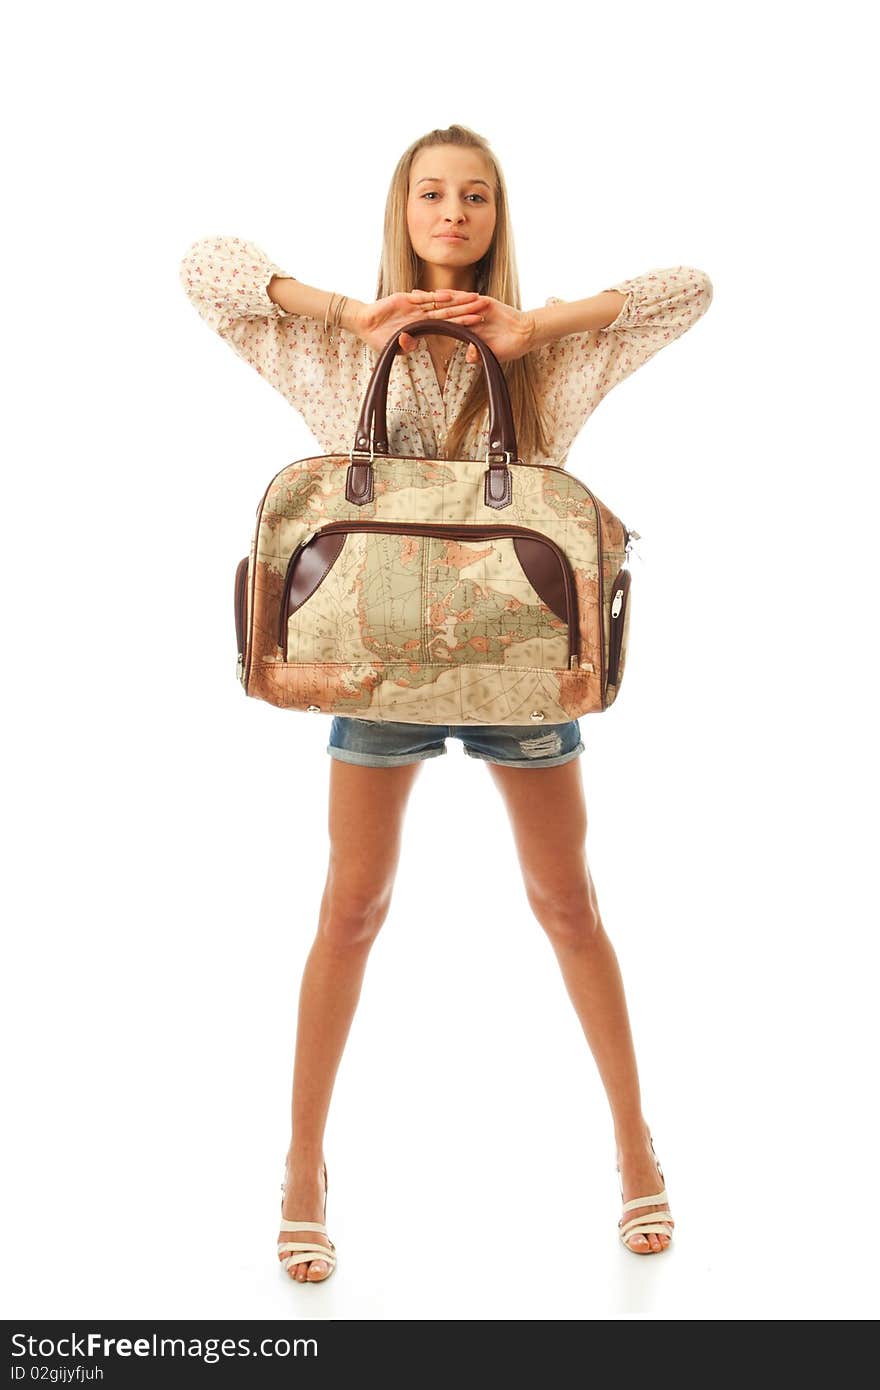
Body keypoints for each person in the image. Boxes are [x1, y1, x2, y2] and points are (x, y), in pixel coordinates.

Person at [179, 123, 713, 1281]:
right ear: (403, 209)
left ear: (494, 216)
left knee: (566, 904)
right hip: (374, 669)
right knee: (351, 911)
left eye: (475, 196)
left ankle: (634, 1152)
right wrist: (340, 309)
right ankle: (302, 1166)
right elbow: (205, 270)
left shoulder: (537, 361)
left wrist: (538, 325)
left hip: (519, 664)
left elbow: (688, 290)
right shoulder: (339, 354)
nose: (454, 214)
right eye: (432, 194)